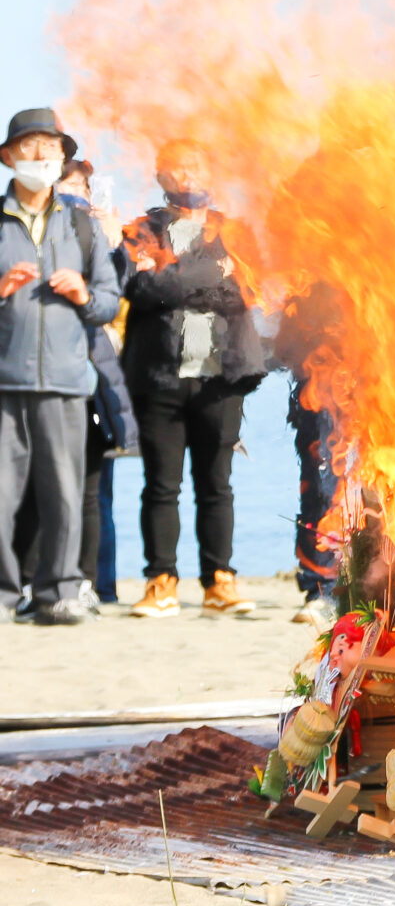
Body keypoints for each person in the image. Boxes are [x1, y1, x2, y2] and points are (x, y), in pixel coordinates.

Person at [122, 138, 270, 618]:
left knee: (216, 483)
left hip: (219, 377)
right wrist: (212, 274)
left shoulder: (236, 232)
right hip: (160, 377)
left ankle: (218, 581)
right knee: (160, 485)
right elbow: (143, 289)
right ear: (161, 175)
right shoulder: (141, 229)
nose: (188, 175)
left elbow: (245, 292)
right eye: (177, 167)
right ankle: (160, 581)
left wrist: (181, 278)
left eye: (197, 165)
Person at [0, 107, 124, 626]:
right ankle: (6, 596)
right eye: (30, 145)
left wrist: (82, 294)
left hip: (69, 381)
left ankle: (60, 591)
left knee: (66, 493)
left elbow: (108, 301)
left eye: (51, 146)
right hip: (5, 383)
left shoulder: (80, 224)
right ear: (9, 156)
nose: (42, 155)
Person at [59, 159, 137, 606]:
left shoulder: (104, 237)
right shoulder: (35, 233)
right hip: (44, 374)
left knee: (95, 490)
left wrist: (115, 243)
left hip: (97, 374)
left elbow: (119, 293)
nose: (75, 193)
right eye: (66, 184)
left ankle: (99, 584)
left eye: (81, 186)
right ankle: (44, 582)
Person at [273, 280, 346, 626]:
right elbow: (283, 347)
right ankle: (320, 587)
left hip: (371, 390)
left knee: (367, 493)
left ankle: (351, 586)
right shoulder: (307, 276)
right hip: (317, 397)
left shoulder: (376, 259)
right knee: (319, 491)